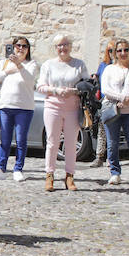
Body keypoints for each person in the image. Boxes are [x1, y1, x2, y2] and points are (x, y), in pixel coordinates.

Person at [37, 34, 88, 191]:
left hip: (72, 108)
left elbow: (87, 85)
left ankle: (69, 176)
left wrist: (74, 90)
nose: (62, 48)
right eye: (59, 45)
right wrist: (56, 90)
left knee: (71, 143)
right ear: (55, 48)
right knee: (52, 142)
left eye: (65, 45)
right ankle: (49, 175)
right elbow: (40, 86)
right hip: (53, 106)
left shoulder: (79, 64)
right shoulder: (48, 65)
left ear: (70, 46)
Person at [99, 38, 129, 186]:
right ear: (115, 53)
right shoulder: (109, 69)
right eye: (119, 50)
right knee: (112, 143)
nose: (123, 53)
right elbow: (105, 89)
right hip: (113, 110)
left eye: (126, 50)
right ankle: (115, 173)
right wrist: (121, 97)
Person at [0, 36, 36, 182]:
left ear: (28, 49)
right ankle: (1, 168)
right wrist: (7, 70)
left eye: (24, 46)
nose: (20, 49)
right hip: (6, 106)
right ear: (13, 47)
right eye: (18, 46)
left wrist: (19, 66)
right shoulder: (4, 63)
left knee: (21, 140)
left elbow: (29, 79)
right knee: (5, 140)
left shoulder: (31, 64)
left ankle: (18, 169)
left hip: (24, 107)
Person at [93, 40, 115, 168]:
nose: (112, 53)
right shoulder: (103, 65)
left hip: (116, 101)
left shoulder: (119, 65)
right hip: (103, 101)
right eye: (109, 50)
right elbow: (98, 81)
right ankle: (99, 156)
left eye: (113, 50)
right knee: (102, 129)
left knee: (113, 131)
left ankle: (111, 157)